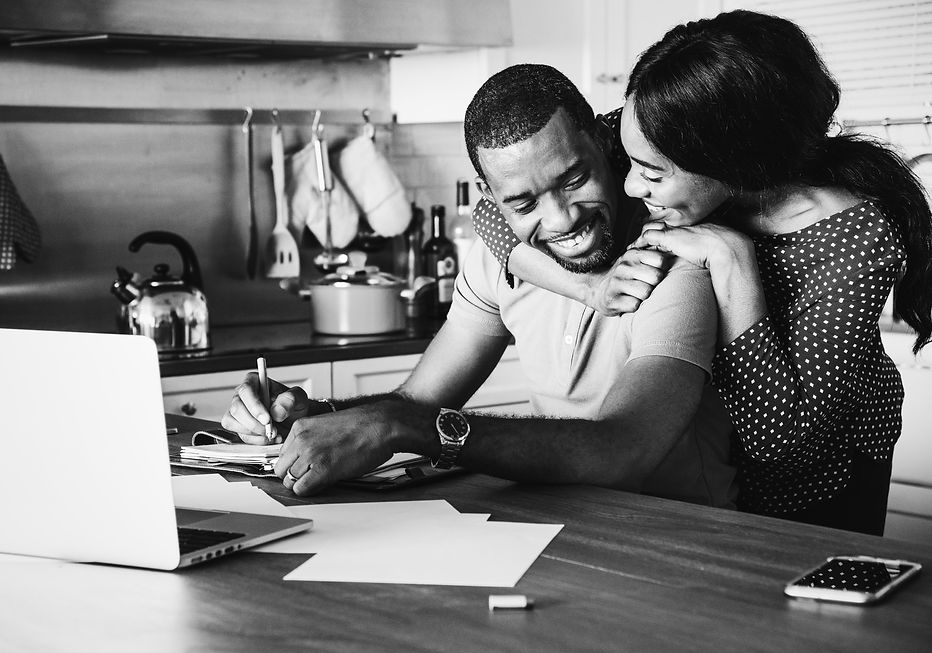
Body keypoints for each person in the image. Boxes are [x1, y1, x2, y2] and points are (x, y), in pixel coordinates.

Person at [470, 10, 932, 535]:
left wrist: (734, 263)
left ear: (728, 159)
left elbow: (782, 444)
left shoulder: (854, 239)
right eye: (631, 163)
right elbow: (491, 213)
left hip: (822, 487)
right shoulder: (652, 133)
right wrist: (590, 287)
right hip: (717, 477)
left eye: (653, 174)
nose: (630, 188)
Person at [221, 63, 738, 508]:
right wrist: (319, 416)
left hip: (683, 538)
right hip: (564, 527)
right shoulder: (496, 261)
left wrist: (405, 425)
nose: (562, 220)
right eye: (524, 203)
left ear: (605, 145)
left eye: (574, 179)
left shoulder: (671, 258)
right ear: (491, 198)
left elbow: (623, 451)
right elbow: (418, 400)